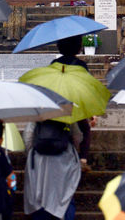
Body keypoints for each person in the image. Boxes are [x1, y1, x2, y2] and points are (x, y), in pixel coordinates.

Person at [23, 120, 82, 220]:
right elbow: (77, 136)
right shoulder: (67, 114)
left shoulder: (38, 114)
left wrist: (31, 152)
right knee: (66, 195)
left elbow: (28, 137)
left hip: (39, 161)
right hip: (64, 160)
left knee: (39, 196)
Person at [51, 35, 93, 171]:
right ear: (78, 47)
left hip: (59, 103)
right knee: (85, 130)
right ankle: (83, 159)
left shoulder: (54, 64)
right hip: (75, 103)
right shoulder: (81, 65)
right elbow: (85, 87)